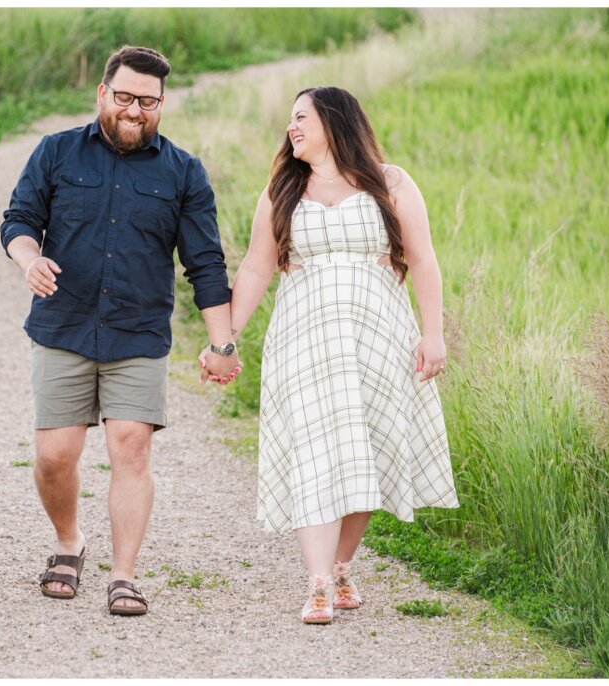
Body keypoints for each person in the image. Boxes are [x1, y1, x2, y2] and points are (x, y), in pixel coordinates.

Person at [0, 45, 241, 616]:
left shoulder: (184, 172)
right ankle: (69, 543)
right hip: (63, 325)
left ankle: (124, 575)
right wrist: (28, 258)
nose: (136, 111)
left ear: (162, 104)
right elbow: (18, 220)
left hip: (137, 330)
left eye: (149, 102)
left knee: (130, 449)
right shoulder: (56, 152)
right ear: (103, 94)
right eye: (126, 98)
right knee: (56, 454)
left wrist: (222, 341)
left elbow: (205, 264)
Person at [203, 86, 459, 624]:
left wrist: (432, 334)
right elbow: (255, 267)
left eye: (302, 117)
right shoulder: (283, 189)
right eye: (290, 120)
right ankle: (318, 582)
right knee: (315, 451)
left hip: (380, 337)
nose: (292, 127)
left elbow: (424, 259)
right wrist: (225, 340)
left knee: (365, 450)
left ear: (335, 121)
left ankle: (341, 566)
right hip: (304, 339)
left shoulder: (391, 183)